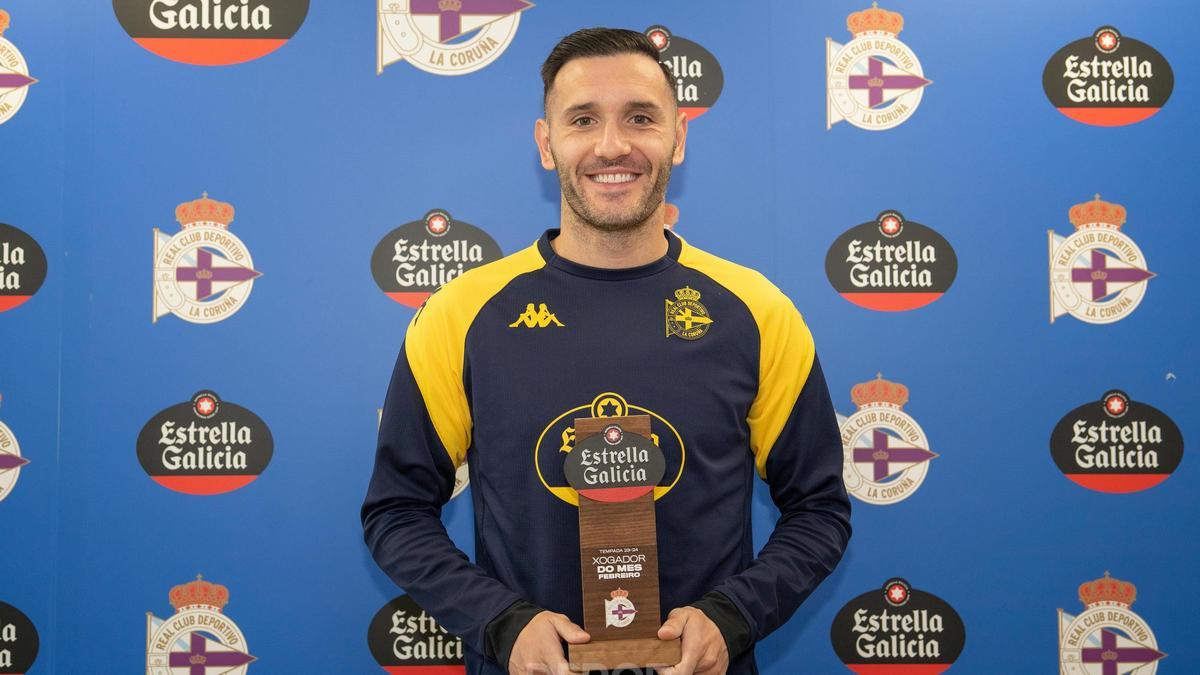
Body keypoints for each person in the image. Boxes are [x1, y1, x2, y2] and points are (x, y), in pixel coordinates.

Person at [362, 27, 851, 675]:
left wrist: (732, 616)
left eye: (641, 118)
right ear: (546, 144)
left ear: (678, 136)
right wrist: (504, 624)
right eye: (583, 119)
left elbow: (818, 509)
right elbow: (397, 511)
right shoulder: (462, 313)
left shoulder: (755, 311)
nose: (612, 145)